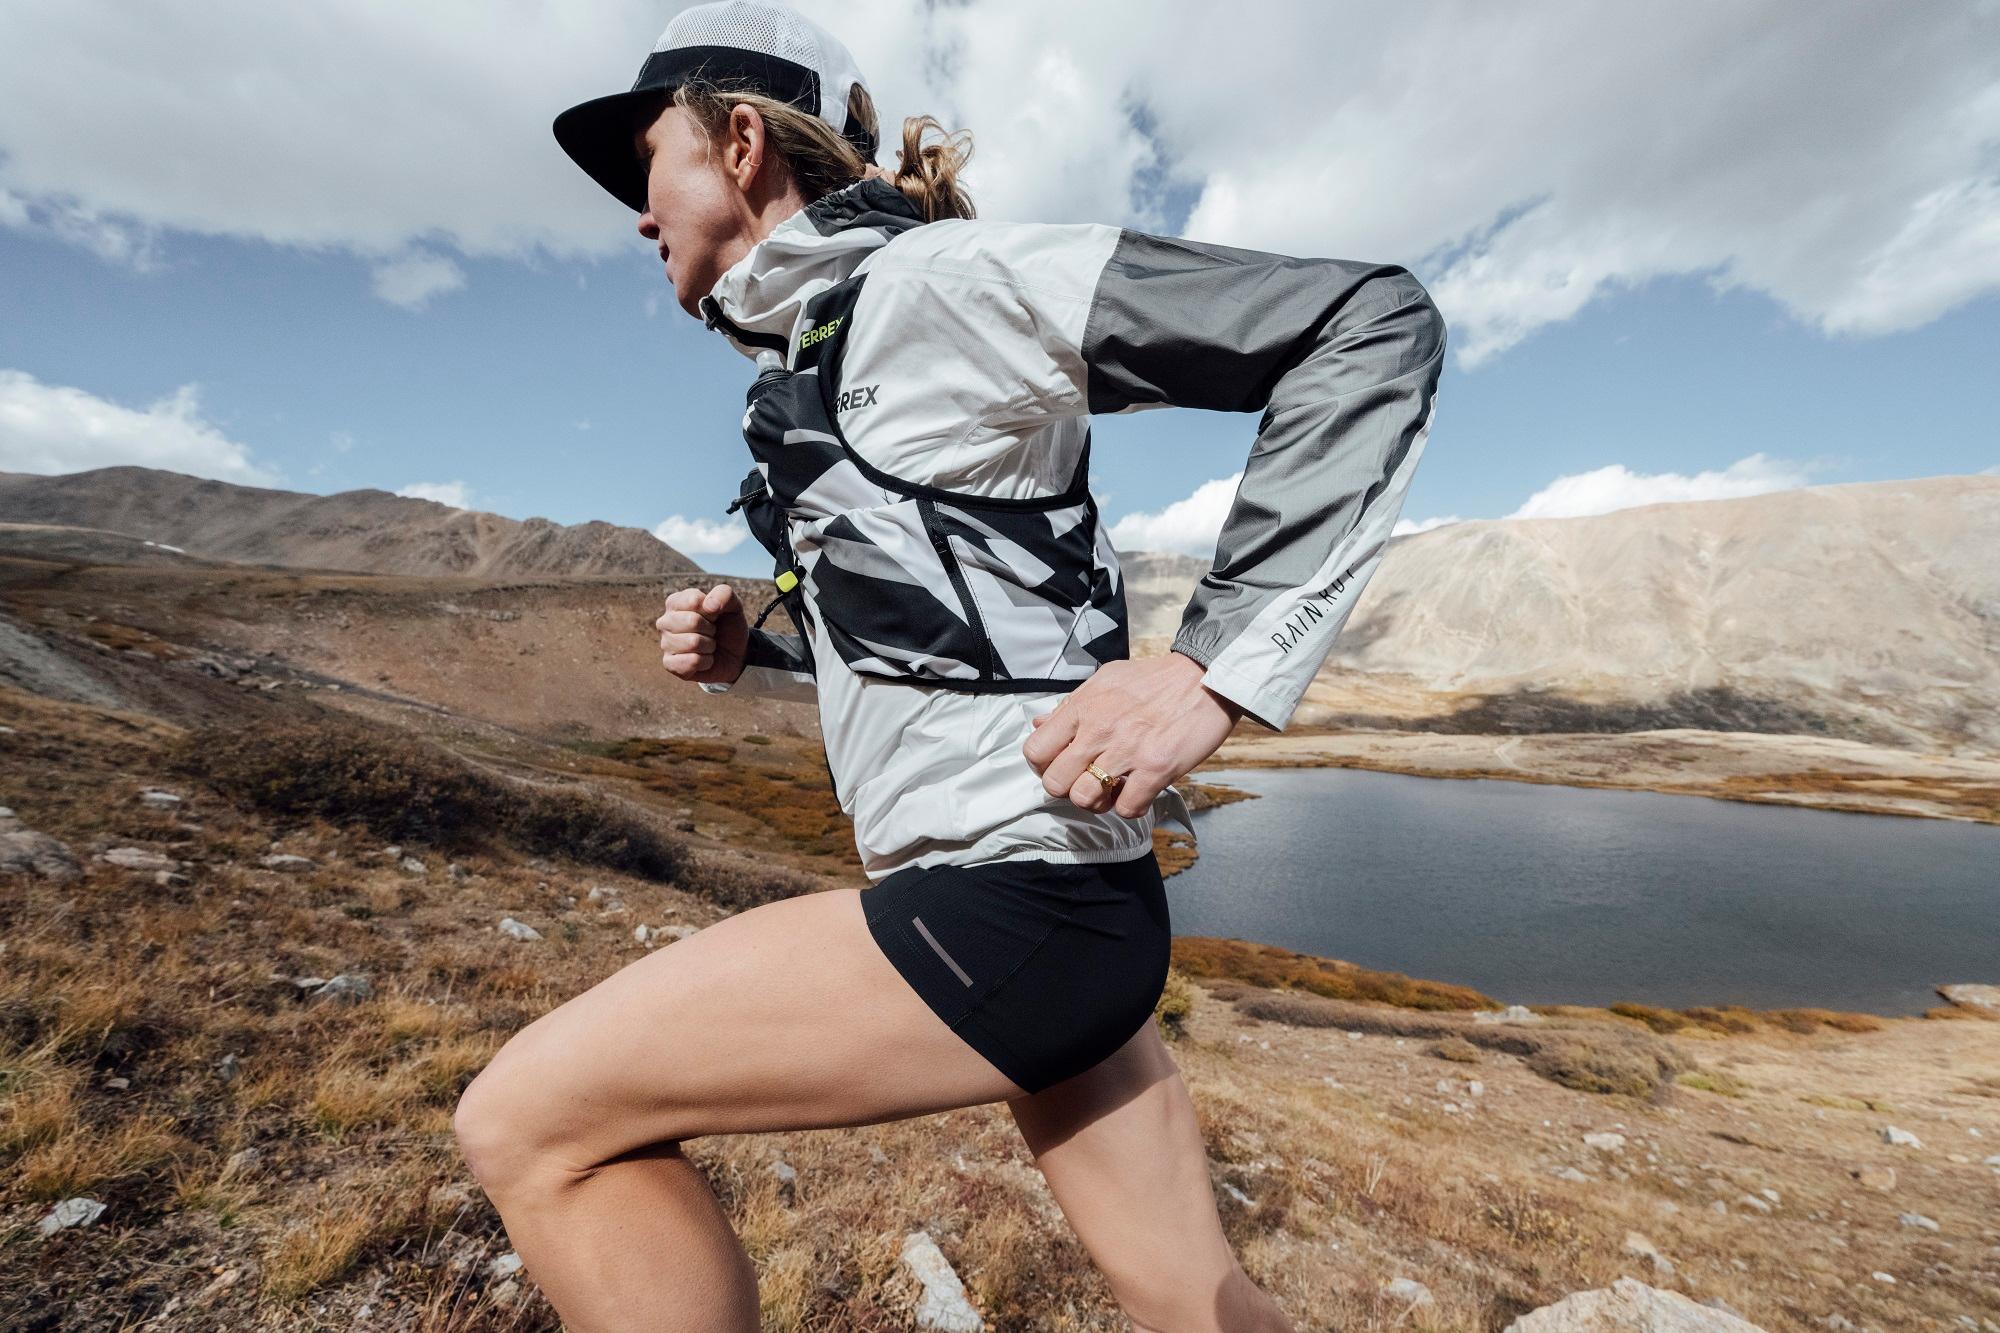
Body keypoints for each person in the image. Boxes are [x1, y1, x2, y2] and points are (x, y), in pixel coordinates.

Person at [452, 3, 1445, 1329]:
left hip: (1010, 902)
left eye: (651, 163)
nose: (638, 216)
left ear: (741, 143)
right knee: (1190, 1302)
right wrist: (764, 649)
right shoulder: (825, 344)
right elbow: (955, 626)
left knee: (527, 1125)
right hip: (1071, 903)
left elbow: (1368, 322)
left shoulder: (941, 287)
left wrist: (1208, 669)